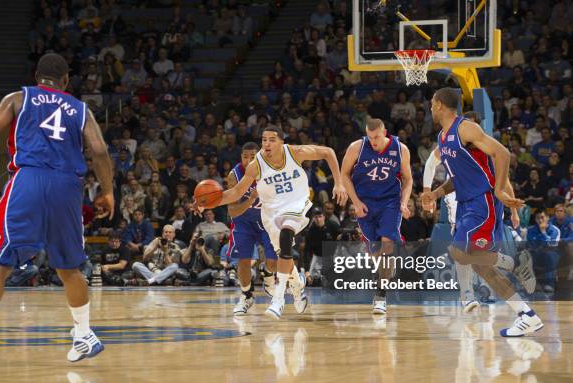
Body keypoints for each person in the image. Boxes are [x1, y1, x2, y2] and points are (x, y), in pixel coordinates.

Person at [0, 53, 114, 371]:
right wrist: (108, 191)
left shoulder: (19, 98)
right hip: (68, 187)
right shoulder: (80, 109)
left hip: (29, 179)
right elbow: (99, 151)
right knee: (69, 268)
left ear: (37, 76)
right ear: (66, 81)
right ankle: (84, 335)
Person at [420, 87, 540, 337]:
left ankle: (514, 263)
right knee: (480, 266)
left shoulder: (465, 128)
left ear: (440, 104)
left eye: (432, 103)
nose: (430, 107)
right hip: (466, 203)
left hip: (481, 202)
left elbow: (503, 153)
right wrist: (436, 193)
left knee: (458, 252)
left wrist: (498, 189)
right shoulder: (443, 138)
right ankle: (526, 315)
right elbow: (456, 178)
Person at [205, 125, 347, 320]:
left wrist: (339, 183)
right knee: (284, 254)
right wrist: (208, 203)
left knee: (286, 234)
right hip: (271, 212)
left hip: (297, 204)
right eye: (264, 140)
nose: (267, 144)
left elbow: (328, 152)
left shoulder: (295, 153)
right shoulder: (256, 165)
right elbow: (236, 193)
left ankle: (278, 299)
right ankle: (297, 287)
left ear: (282, 141)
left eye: (272, 139)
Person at [341, 118, 413, 315]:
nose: (373, 141)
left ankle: (381, 295)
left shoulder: (401, 149)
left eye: (377, 137)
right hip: (365, 202)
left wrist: (404, 202)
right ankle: (383, 275)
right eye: (370, 137)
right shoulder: (357, 147)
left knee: (387, 243)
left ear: (385, 133)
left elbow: (407, 179)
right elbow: (344, 174)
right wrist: (355, 202)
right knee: (375, 251)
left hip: (390, 201)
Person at [226, 142, 278, 316]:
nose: (248, 160)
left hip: (267, 220)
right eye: (244, 156)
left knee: (275, 258)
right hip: (243, 222)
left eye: (252, 156)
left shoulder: (272, 170)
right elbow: (232, 211)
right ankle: (246, 295)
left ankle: (268, 273)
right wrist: (249, 201)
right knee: (243, 259)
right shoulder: (234, 176)